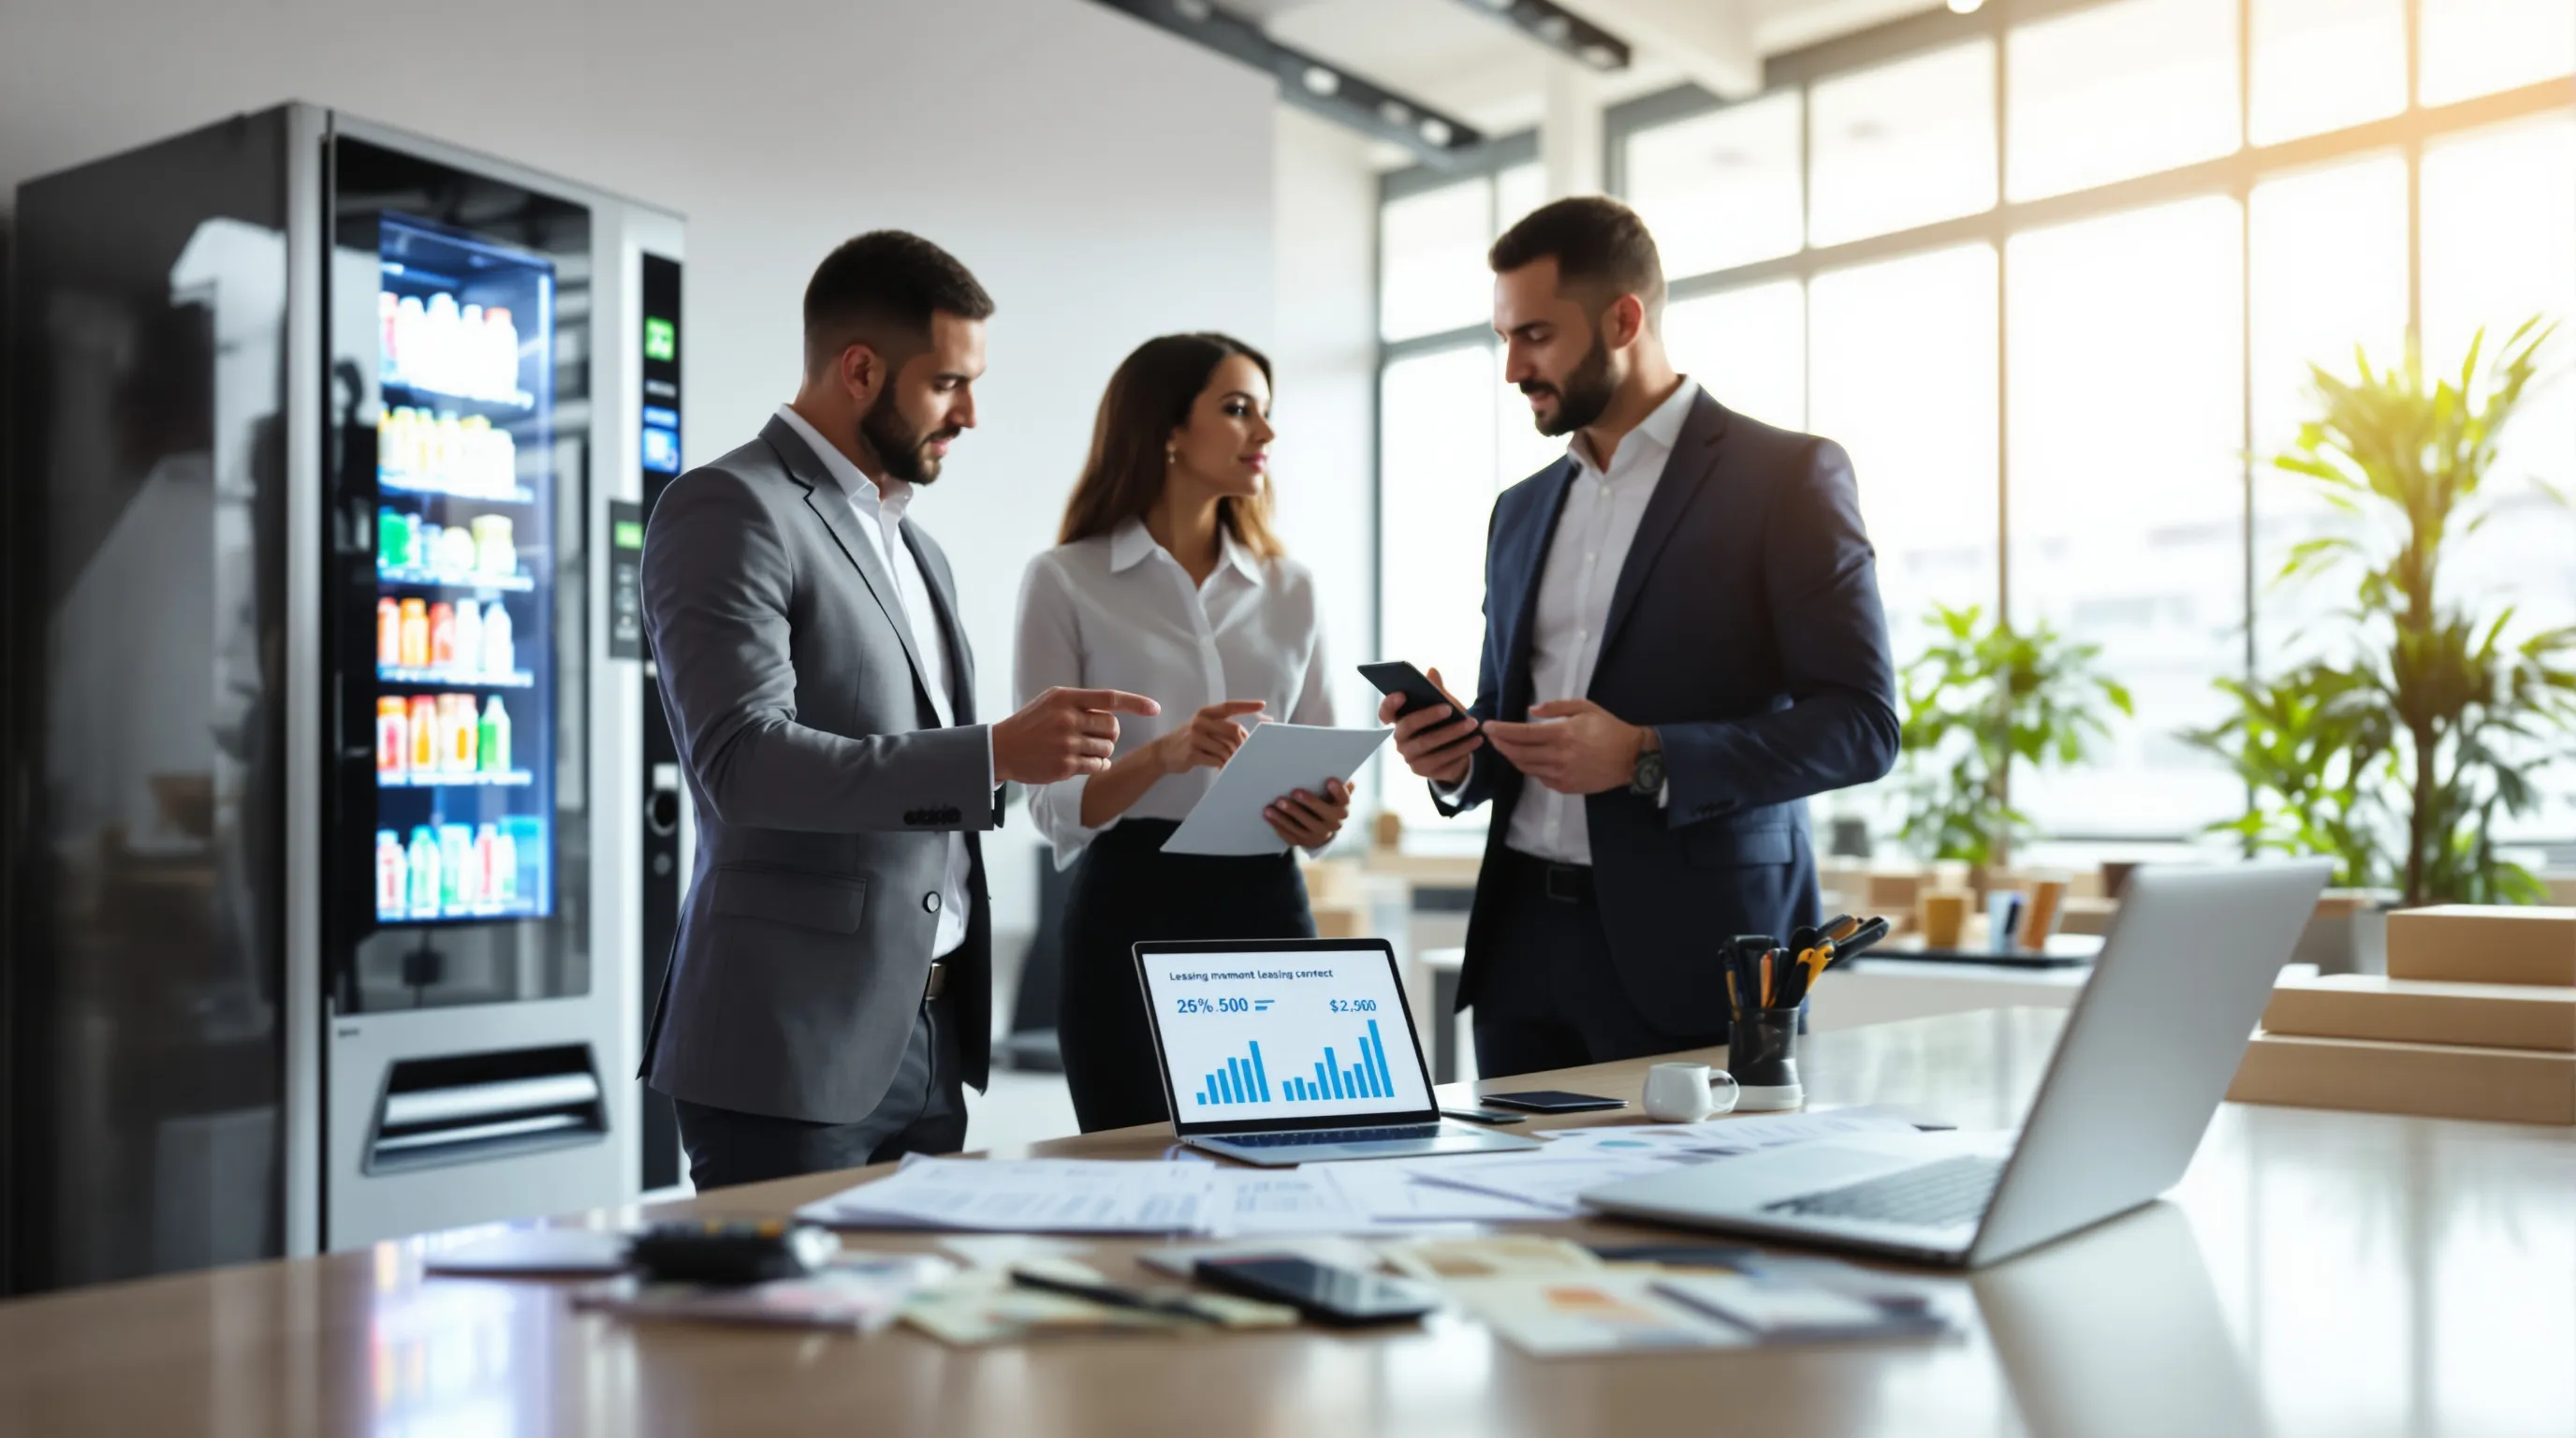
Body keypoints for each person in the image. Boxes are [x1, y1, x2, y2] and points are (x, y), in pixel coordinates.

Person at [639, 231, 1158, 1189]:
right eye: (947, 384)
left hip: (929, 1044)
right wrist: (991, 753)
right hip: (787, 1049)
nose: (969, 415)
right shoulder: (727, 507)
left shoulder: (920, 552)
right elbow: (744, 764)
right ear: (860, 370)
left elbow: (928, 780)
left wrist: (1034, 756)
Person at [1380, 197, 1898, 1078]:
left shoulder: (1788, 477)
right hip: (1519, 953)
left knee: (1692, 1180)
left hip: (1699, 953)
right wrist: (1457, 758)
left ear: (1624, 320)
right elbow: (1515, 721)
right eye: (1504, 338)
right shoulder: (1519, 511)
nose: (1513, 368)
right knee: (1510, 1176)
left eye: (1535, 336)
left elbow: (1863, 726)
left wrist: (1645, 755)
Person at [1015, 332, 1350, 1132]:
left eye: (1265, 412)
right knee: (1135, 1163)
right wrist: (1164, 756)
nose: (1264, 432)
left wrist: (1325, 817)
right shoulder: (1065, 581)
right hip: (1130, 908)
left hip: (1269, 904)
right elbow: (1051, 805)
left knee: (1291, 1157)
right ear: (1167, 428)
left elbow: (1325, 760)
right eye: (1237, 410)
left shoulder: (1292, 589)